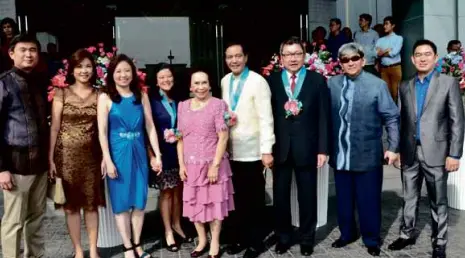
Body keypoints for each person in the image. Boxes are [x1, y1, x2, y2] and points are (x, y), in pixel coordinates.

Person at [389, 39, 465, 258]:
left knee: (438, 200)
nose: (422, 58)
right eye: (418, 54)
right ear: (412, 59)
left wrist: (454, 153)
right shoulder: (404, 85)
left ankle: (439, 242)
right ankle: (407, 234)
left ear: (435, 57)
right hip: (410, 152)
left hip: (438, 152)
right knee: (409, 197)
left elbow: (457, 121)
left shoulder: (448, 82)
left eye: (427, 54)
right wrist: (398, 151)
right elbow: (400, 121)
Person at [327, 42, 399, 257]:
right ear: (340, 63)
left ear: (363, 60)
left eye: (354, 58)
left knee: (369, 200)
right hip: (340, 154)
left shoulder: (377, 85)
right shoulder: (332, 84)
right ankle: (347, 233)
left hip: (367, 153)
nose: (350, 63)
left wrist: (392, 147)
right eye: (345, 60)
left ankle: (371, 239)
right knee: (344, 199)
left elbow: (391, 117)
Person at [268, 36, 330, 256]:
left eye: (297, 54)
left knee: (307, 196)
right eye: (288, 54)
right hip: (281, 149)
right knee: (281, 196)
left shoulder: (317, 80)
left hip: (308, 148)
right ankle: (283, 237)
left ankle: (307, 239)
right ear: (281, 57)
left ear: (304, 56)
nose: (293, 58)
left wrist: (323, 149)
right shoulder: (272, 81)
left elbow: (324, 116)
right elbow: (267, 117)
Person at [97, 54, 162, 258]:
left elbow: (150, 126)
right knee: (121, 202)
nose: (123, 75)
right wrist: (107, 159)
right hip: (117, 154)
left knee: (139, 202)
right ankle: (127, 247)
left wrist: (157, 155)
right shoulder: (105, 97)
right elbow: (102, 131)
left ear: (133, 73)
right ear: (112, 74)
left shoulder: (141, 95)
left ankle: (138, 244)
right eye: (119, 71)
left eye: (127, 71)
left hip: (139, 154)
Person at [48, 48, 105, 258]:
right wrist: (50, 158)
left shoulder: (100, 94)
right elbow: (54, 127)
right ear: (72, 70)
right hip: (66, 157)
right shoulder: (61, 93)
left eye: (88, 66)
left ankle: (94, 251)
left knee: (91, 206)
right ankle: (79, 251)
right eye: (80, 66)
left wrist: (105, 158)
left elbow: (103, 128)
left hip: (91, 157)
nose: (84, 70)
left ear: (94, 69)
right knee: (71, 207)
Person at [220, 42, 275, 258]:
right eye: (229, 57)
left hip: (252, 151)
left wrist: (266, 149)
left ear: (246, 57)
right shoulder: (225, 81)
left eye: (237, 56)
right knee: (236, 199)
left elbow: (266, 118)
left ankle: (255, 242)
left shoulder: (258, 81)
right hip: (231, 151)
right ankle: (239, 238)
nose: (234, 60)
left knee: (254, 200)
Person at [0, 34, 49, 258]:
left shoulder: (39, 81)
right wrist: (1, 168)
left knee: (36, 218)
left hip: (39, 164)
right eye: (23, 50)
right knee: (13, 222)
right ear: (11, 53)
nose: (29, 54)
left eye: (33, 50)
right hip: (16, 164)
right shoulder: (4, 82)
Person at [177, 70, 234, 258]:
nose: (200, 87)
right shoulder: (183, 106)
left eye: (204, 83)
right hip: (191, 166)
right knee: (195, 205)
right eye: (196, 83)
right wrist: (181, 165)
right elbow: (180, 138)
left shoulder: (218, 105)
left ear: (210, 85)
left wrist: (215, 166)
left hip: (213, 165)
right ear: (191, 87)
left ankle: (215, 242)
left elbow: (223, 137)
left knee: (214, 205)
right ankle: (202, 240)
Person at [148, 64, 192, 252]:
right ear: (156, 81)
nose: (166, 80)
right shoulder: (151, 101)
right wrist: (152, 155)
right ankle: (167, 231)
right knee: (166, 192)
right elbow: (147, 130)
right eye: (162, 77)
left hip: (179, 152)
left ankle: (177, 224)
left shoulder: (179, 100)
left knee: (177, 191)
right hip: (162, 153)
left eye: (169, 77)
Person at [376, 16, 404, 103]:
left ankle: (397, 114)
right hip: (383, 69)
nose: (384, 26)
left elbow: (393, 53)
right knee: (385, 93)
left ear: (393, 25)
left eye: (387, 24)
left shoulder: (398, 38)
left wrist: (382, 53)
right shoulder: (380, 40)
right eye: (384, 24)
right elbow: (376, 54)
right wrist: (387, 50)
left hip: (395, 68)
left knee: (396, 93)